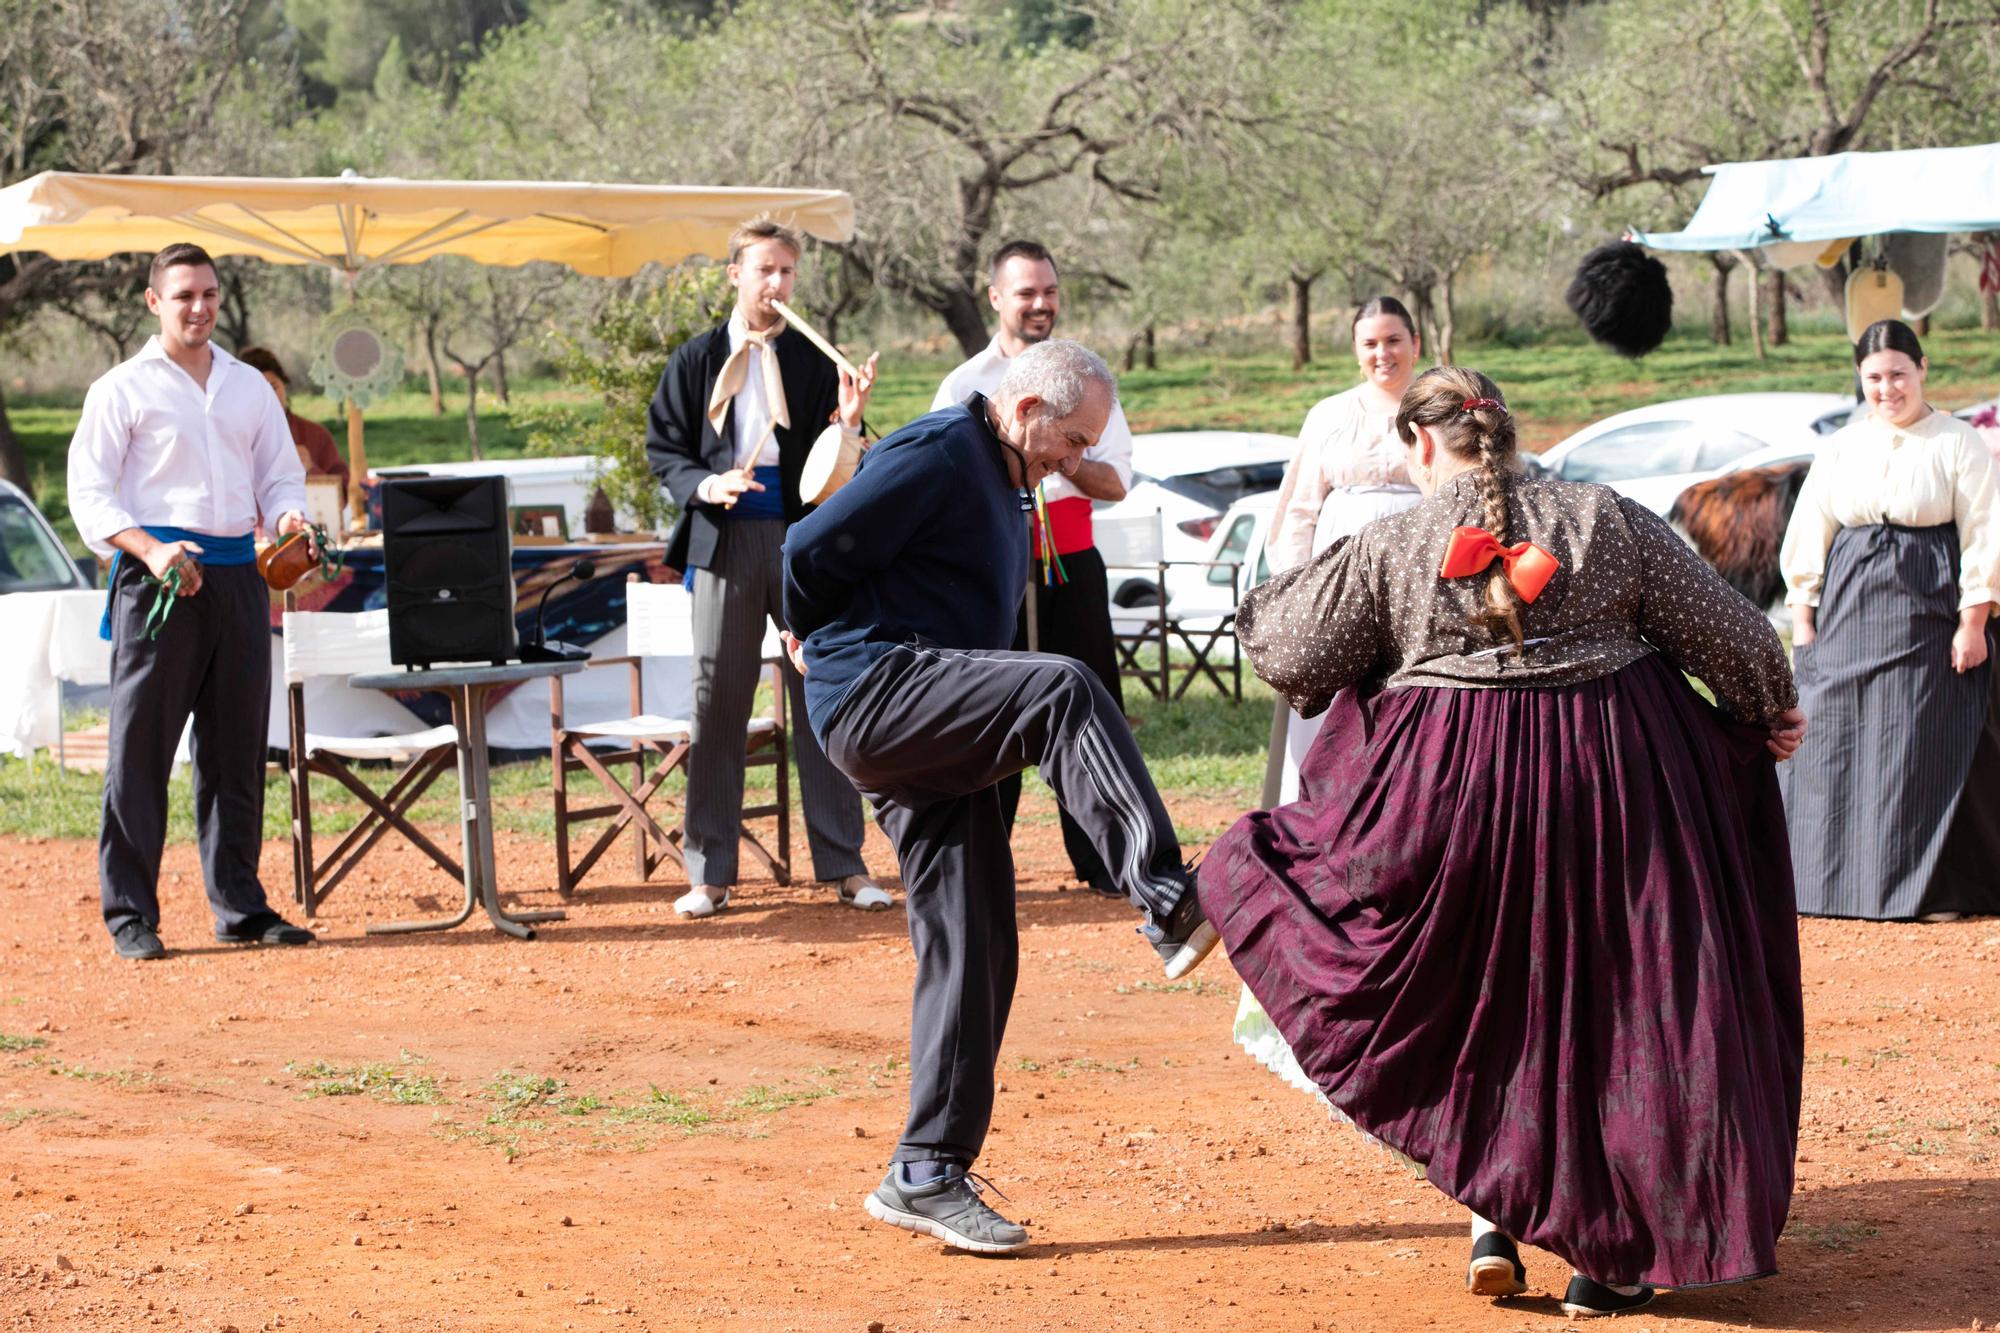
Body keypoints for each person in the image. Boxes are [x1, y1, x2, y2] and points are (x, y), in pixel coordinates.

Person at [1200, 366, 1807, 1317]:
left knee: (1481, 1001)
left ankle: (1492, 1217)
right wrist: (1765, 708)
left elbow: (1287, 653)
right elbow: (1734, 634)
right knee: (1618, 1009)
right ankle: (1611, 1259)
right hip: (1617, 789)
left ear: (1420, 445)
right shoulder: (1607, 516)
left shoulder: (1394, 540)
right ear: (1513, 435)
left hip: (1453, 805)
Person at [781, 339, 1217, 1255]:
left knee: (977, 939)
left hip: (937, 713)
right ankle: (1168, 897)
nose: (1078, 456)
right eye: (1071, 437)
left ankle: (925, 1170)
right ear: (1024, 411)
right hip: (879, 692)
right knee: (1059, 685)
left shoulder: (1009, 474)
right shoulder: (939, 449)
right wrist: (806, 635)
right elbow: (807, 547)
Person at [67, 242, 319, 961]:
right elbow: (90, 496)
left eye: (208, 294)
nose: (199, 307)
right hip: (160, 578)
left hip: (241, 576)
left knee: (236, 750)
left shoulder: (248, 388)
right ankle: (129, 914)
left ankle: (239, 906)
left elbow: (279, 477)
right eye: (184, 296)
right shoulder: (120, 389)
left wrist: (289, 519)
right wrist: (149, 549)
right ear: (154, 302)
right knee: (140, 751)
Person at [646, 218, 888, 919]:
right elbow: (665, 447)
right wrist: (704, 483)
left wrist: (847, 422)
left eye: (787, 271)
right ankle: (710, 873)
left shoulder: (815, 362)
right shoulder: (695, 361)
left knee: (823, 690)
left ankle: (844, 863)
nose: (778, 284)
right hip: (724, 541)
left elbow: (833, 467)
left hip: (802, 542)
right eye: (765, 271)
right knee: (717, 700)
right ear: (735, 275)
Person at [1235, 296, 1424, 1101]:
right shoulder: (1329, 417)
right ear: (1355, 350)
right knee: (1323, 761)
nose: (1380, 353)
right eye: (1368, 343)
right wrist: (1303, 609)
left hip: (1423, 601)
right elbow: (1296, 519)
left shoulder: (1441, 401)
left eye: (1392, 340)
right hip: (1342, 602)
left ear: (1416, 343)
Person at [930, 240, 1133, 898]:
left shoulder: (1087, 377)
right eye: (1026, 292)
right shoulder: (964, 384)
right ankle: (986, 862)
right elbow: (938, 478)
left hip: (1071, 565)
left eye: (1049, 290)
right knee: (991, 713)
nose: (1041, 303)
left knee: (1091, 712)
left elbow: (1118, 481)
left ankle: (1106, 859)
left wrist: (1065, 452)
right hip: (992, 567)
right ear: (996, 298)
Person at [1779, 318, 2000, 921]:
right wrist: (1804, 622)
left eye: (1898, 374)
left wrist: (1973, 621)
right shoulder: (1843, 446)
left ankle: (1924, 891)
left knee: (1920, 744)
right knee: (1830, 739)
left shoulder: (1958, 442)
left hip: (1931, 612)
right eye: (1874, 377)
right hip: (1849, 611)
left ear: (1923, 369)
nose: (1887, 388)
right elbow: (1809, 532)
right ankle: (1826, 886)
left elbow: (1986, 534)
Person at [235, 346, 350, 510]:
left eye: (273, 387)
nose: (269, 397)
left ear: (285, 384)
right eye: (257, 391)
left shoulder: (316, 435)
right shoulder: (233, 439)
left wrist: (311, 469)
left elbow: (344, 498)